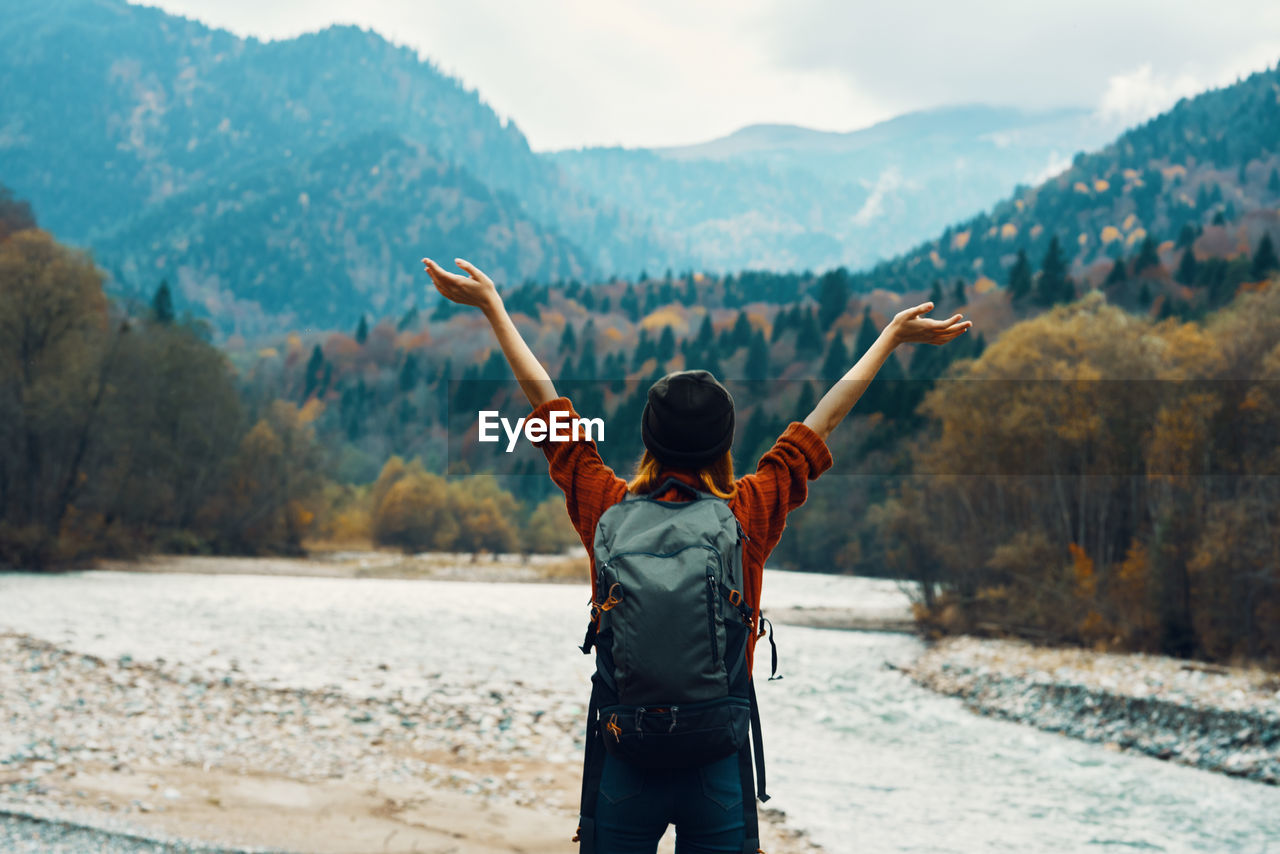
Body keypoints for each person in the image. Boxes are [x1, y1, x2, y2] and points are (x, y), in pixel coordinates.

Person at [423, 256, 971, 853]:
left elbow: (549, 406)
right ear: (725, 444)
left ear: (648, 439)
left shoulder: (607, 507)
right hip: (717, 758)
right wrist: (889, 338)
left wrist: (493, 307)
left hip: (624, 754)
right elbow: (820, 424)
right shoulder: (748, 513)